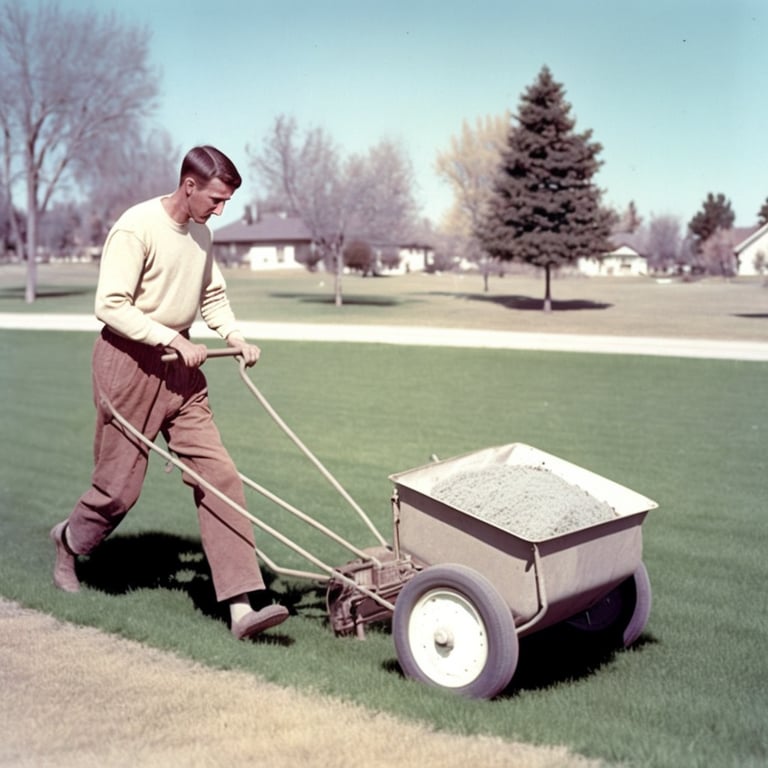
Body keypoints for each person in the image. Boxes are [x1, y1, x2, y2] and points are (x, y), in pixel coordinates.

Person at [50, 145, 288, 640]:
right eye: (217, 199)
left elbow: (211, 295)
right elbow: (110, 305)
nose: (221, 210)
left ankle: (243, 607)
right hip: (129, 363)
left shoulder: (202, 234)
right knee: (118, 491)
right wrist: (170, 338)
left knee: (220, 475)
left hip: (181, 370)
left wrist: (233, 336)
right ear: (190, 186)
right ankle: (69, 543)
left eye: (227, 202)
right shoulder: (136, 228)